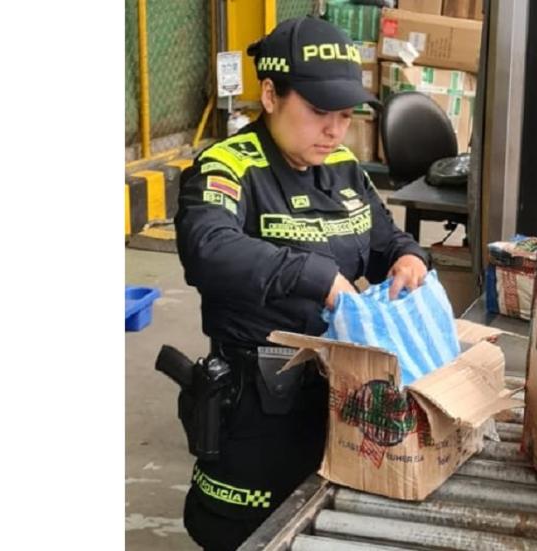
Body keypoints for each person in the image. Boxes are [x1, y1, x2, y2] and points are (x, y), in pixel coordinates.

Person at [173, 16, 429, 550]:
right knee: (244, 533)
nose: (336, 130)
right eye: (318, 112)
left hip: (345, 392)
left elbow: (382, 239)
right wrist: (318, 277)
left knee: (331, 528)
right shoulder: (227, 167)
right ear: (269, 94)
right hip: (259, 400)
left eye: (345, 114)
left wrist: (408, 258)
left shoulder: (340, 167)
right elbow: (208, 249)